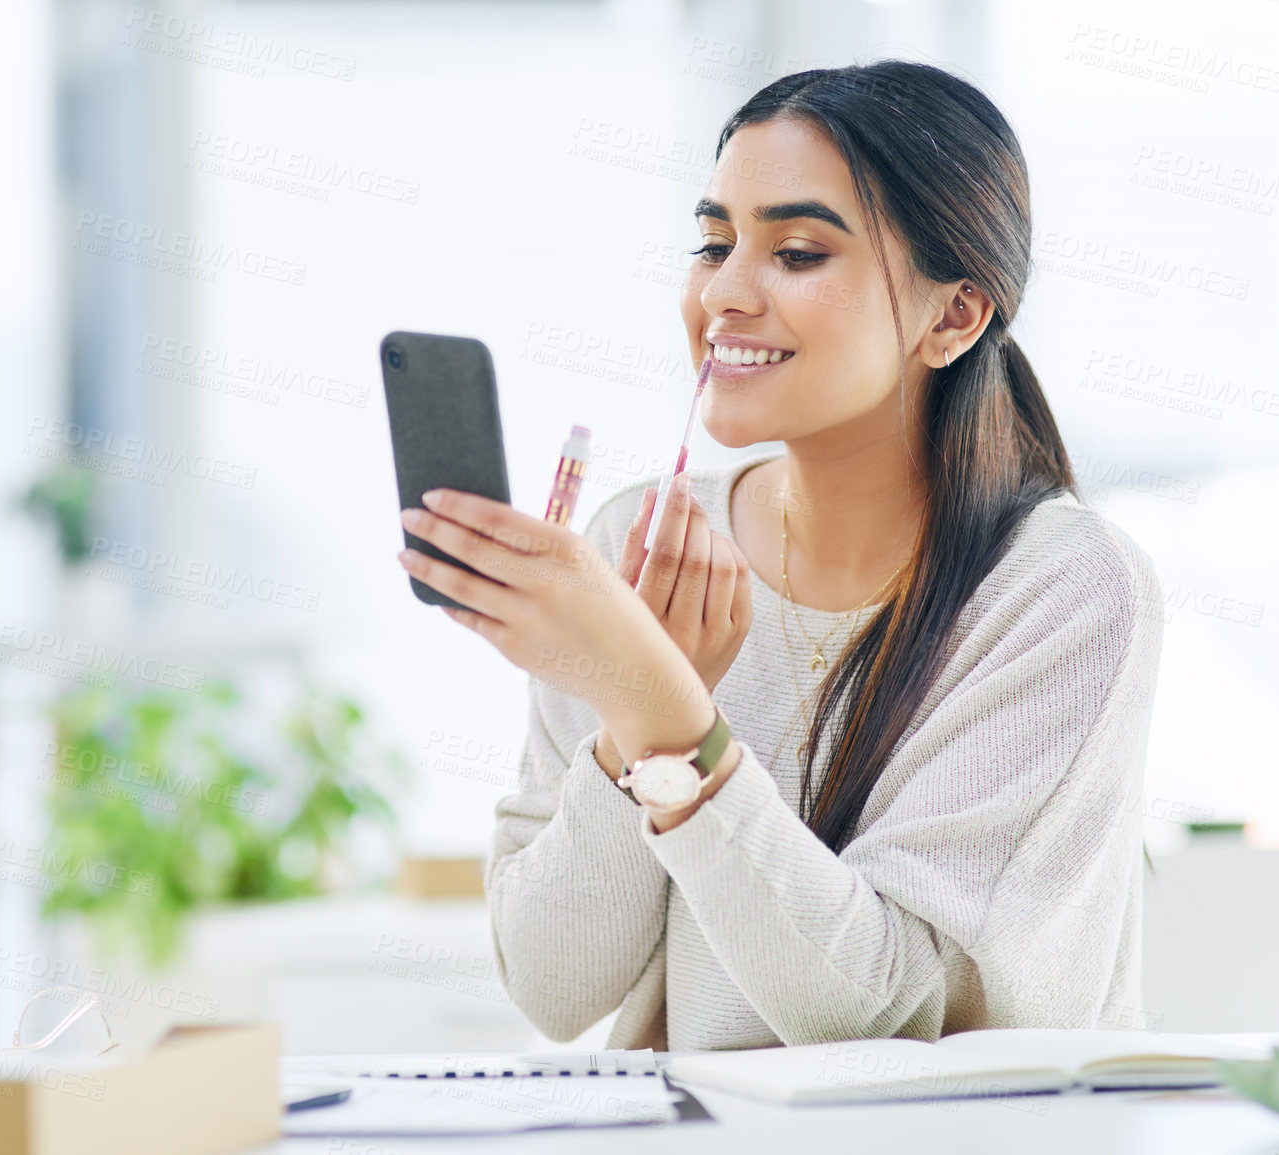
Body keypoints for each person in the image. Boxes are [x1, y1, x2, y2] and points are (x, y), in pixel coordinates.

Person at [395, 60, 1164, 1052]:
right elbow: (552, 986)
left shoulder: (1061, 590)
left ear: (954, 316)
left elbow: (869, 1014)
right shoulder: (636, 549)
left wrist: (667, 713)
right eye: (714, 243)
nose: (724, 293)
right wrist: (630, 718)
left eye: (796, 253)